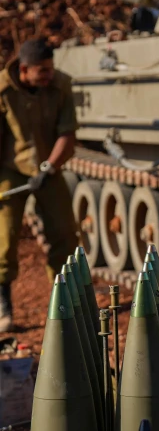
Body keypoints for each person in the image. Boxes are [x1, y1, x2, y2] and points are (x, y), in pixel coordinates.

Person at [0, 38, 79, 332]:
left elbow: (68, 132)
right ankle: (3, 304)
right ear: (24, 70)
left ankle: (64, 302)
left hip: (49, 166)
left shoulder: (60, 85)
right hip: (11, 169)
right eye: (42, 70)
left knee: (64, 233)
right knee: (5, 236)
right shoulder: (3, 90)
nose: (49, 74)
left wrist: (49, 168)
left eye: (51, 68)